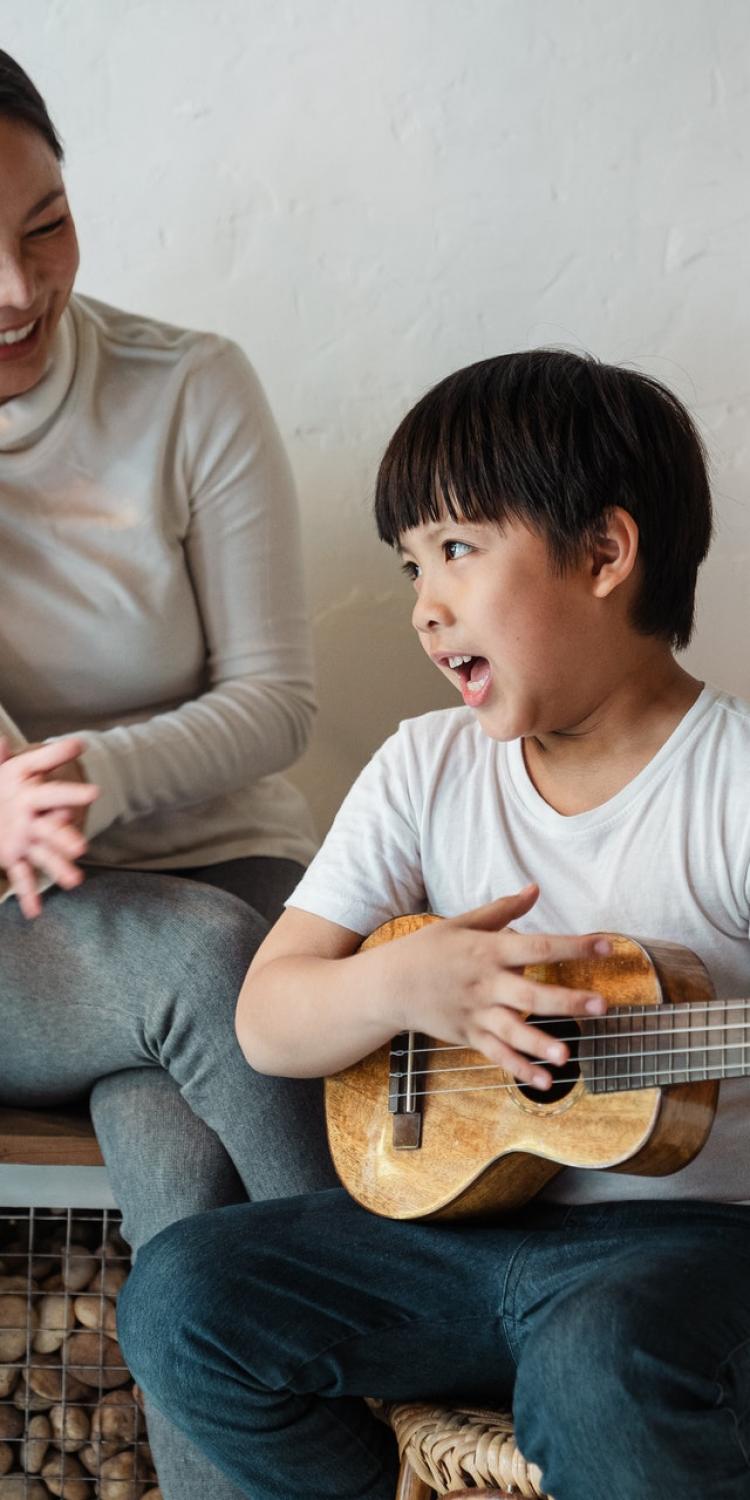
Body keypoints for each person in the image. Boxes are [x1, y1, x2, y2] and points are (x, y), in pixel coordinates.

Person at [119, 349, 750, 1500]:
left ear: (606, 553)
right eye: (411, 564)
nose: (424, 605)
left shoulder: (735, 787)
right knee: (183, 1295)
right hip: (454, 1246)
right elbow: (268, 1017)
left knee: (598, 1361)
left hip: (693, 1259)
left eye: (458, 549)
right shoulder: (427, 767)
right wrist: (408, 991)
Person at [0, 49, 336, 1500]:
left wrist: (89, 777)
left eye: (45, 223)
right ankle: (428, 1340)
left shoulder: (187, 386)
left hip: (219, 860)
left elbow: (276, 703)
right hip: (27, 932)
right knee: (201, 961)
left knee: (182, 1178)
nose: (20, 293)